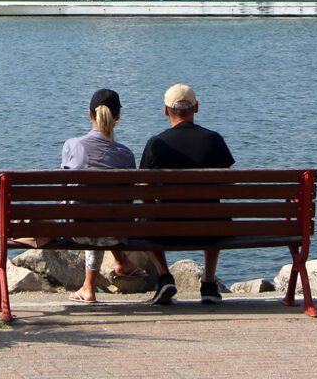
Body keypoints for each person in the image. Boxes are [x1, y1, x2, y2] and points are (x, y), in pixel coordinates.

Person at [139, 83, 235, 305]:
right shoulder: (214, 140)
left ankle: (164, 277)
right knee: (216, 211)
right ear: (196, 107)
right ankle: (209, 283)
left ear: (166, 110)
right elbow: (228, 185)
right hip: (210, 229)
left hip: (165, 230)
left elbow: (144, 194)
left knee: (143, 217)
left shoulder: (156, 144)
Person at [61, 88, 147, 303]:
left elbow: (66, 190)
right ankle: (120, 264)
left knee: (89, 211)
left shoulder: (73, 145)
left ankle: (88, 288)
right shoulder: (126, 154)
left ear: (89, 114)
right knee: (105, 214)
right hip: (116, 231)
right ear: (118, 117)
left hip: (75, 229)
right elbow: (127, 200)